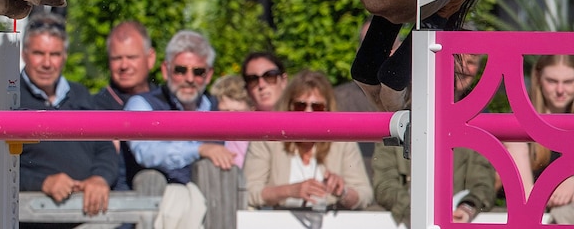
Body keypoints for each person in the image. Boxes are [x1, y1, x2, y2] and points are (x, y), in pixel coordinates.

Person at [18, 12, 118, 229]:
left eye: (54, 54)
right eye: (38, 53)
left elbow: (105, 148)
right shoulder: (9, 98)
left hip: (89, 219)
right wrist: (42, 182)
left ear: (64, 57)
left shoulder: (80, 94)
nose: (47, 63)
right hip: (30, 221)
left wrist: (100, 178)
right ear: (24, 54)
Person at [125, 30, 231, 229]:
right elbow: (146, 152)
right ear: (166, 70)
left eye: (198, 72)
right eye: (180, 70)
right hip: (153, 209)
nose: (189, 78)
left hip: (216, 209)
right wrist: (199, 150)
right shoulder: (142, 104)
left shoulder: (219, 108)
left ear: (209, 75)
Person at [372, 57, 495, 226]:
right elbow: (385, 186)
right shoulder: (397, 123)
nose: (462, 69)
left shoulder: (474, 125)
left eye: (471, 63)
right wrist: (418, 213)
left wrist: (467, 207)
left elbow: (483, 184)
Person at [243, 70, 373, 211]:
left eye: (317, 107)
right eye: (300, 105)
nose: (308, 113)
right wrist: (289, 191)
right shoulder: (269, 138)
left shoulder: (342, 141)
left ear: (328, 110)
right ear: (289, 107)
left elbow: (365, 195)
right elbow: (248, 192)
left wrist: (342, 191)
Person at [505, 54, 574, 224]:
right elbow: (526, 196)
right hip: (537, 216)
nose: (560, 90)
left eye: (568, 82)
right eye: (552, 81)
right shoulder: (519, 124)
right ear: (538, 78)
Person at [93, 21, 158, 110]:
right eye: (117, 58)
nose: (124, 66)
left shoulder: (168, 103)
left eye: (131, 57)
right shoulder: (94, 109)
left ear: (150, 58)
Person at [210, 74, 253, 169]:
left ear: (251, 108)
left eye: (237, 113)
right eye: (225, 112)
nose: (231, 120)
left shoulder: (258, 138)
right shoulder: (213, 138)